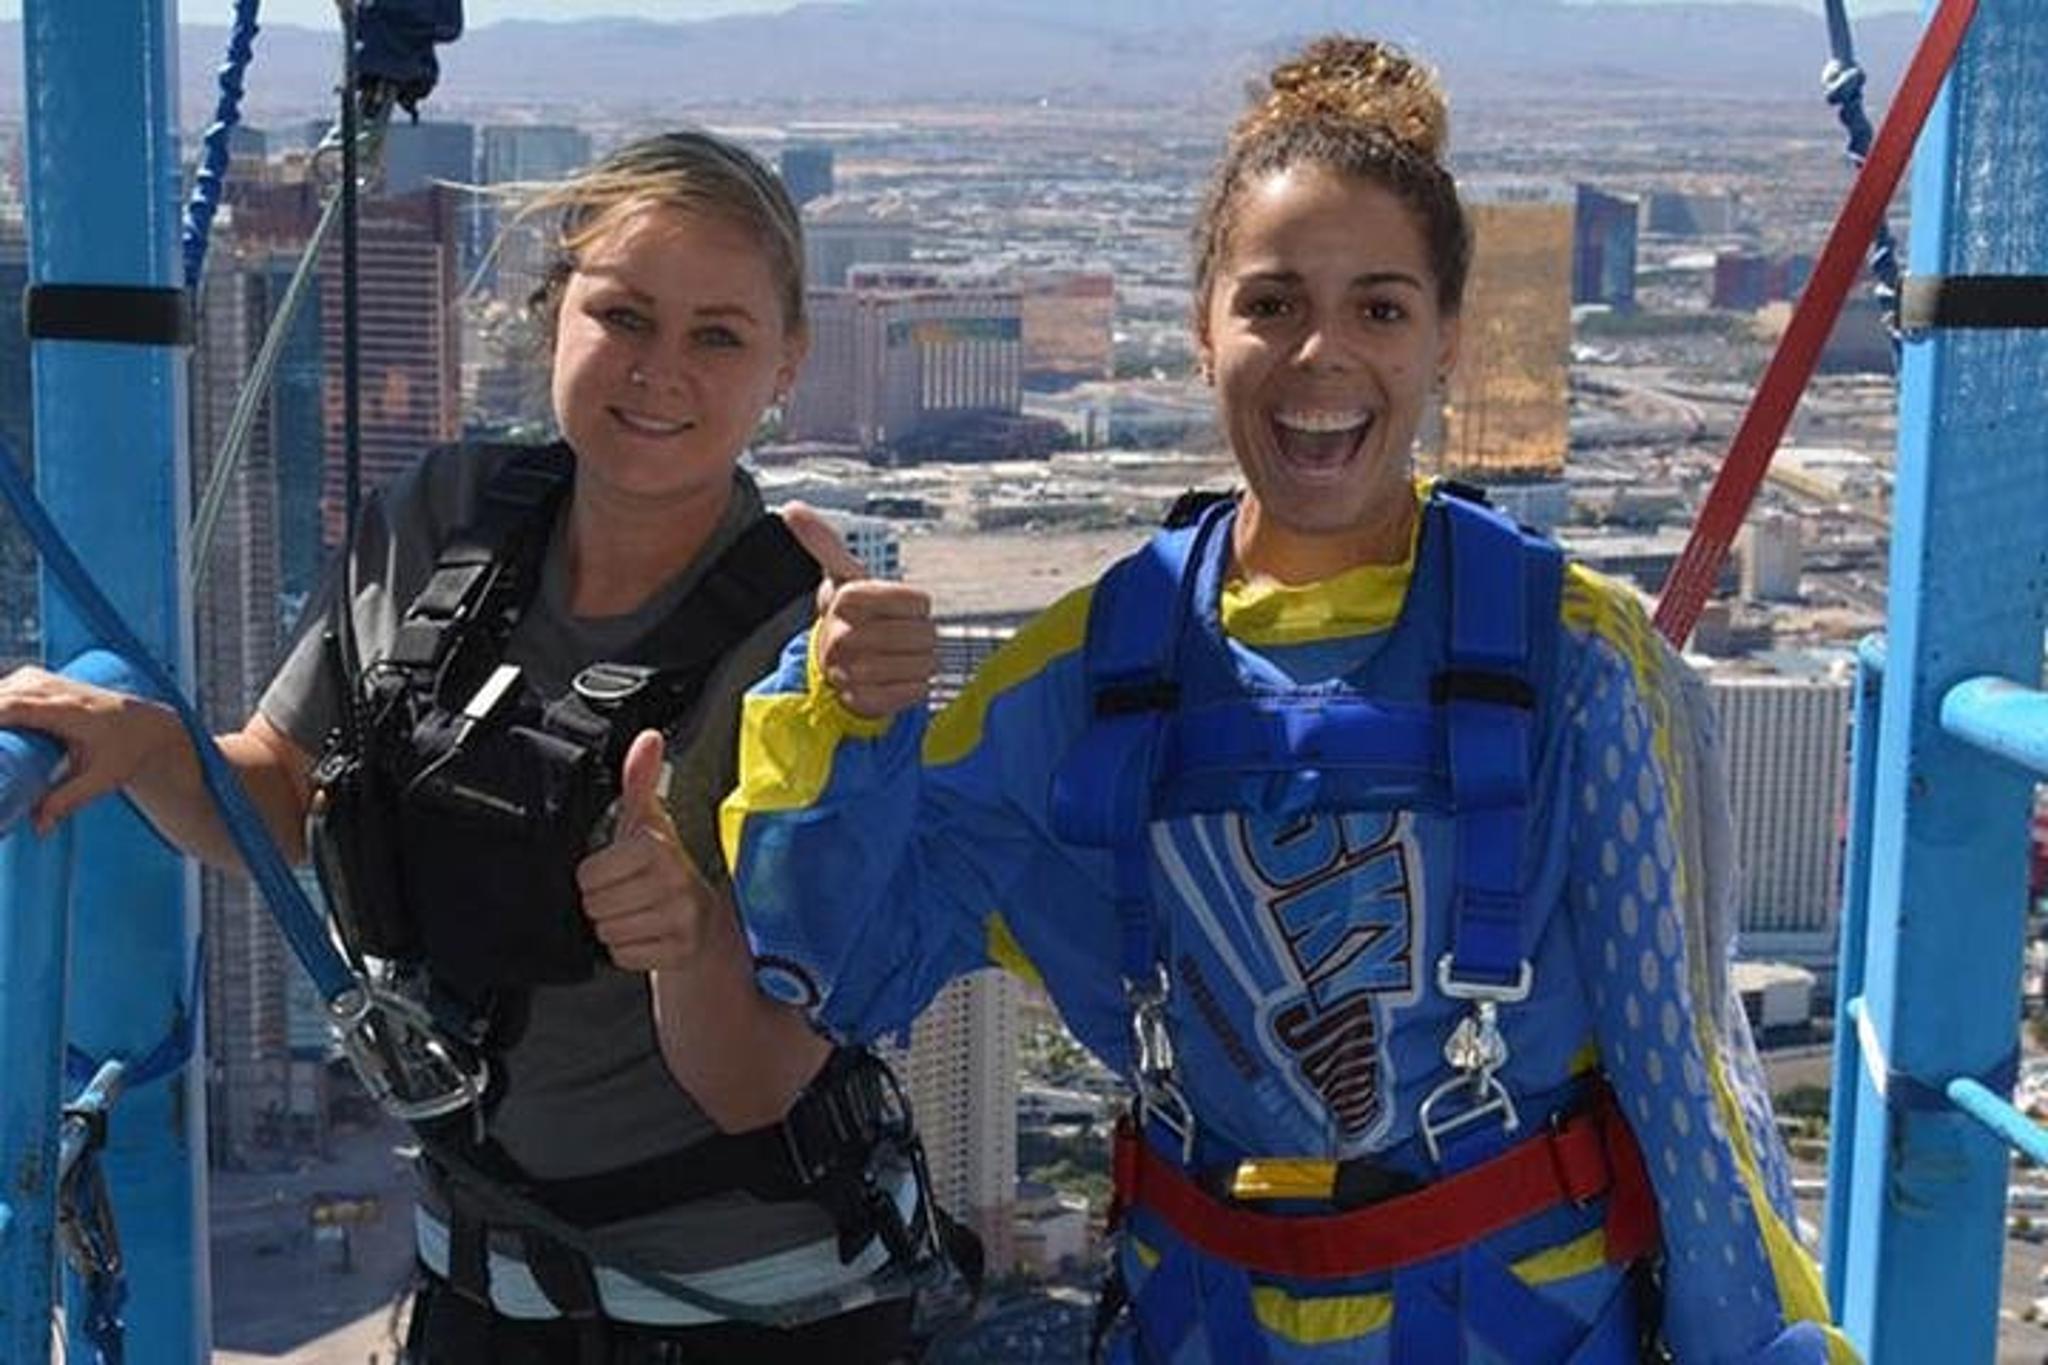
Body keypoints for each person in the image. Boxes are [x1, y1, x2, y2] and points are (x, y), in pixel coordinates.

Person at [716, 37, 1856, 1363]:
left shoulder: (1580, 661)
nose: (1322, 354)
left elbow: (1687, 1070)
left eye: (1379, 308)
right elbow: (849, 968)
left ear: (1449, 342)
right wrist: (844, 723)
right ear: (1203, 329)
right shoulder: (1088, 668)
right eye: (1271, 304)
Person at [0, 131, 948, 1365]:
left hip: (750, 1314)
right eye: (622, 315)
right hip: (481, 1288)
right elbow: (290, 796)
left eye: (717, 335)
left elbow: (753, 1083)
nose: (660, 371)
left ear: (786, 364)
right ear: (551, 312)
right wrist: (142, 742)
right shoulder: (442, 521)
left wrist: (684, 930)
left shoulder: (812, 651)